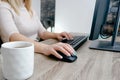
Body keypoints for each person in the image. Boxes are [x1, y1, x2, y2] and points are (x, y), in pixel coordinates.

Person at [0, 0, 74, 59]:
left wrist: (56, 35)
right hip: (19, 56)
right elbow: (13, 37)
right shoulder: (3, 6)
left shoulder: (28, 8)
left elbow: (42, 32)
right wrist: (45, 48)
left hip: (36, 50)